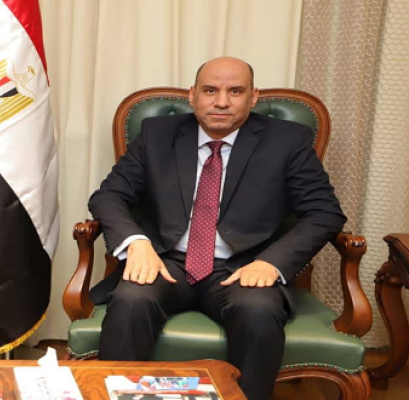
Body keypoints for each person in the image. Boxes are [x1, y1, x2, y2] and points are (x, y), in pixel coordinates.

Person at [88, 57, 346, 400]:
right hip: (167, 261)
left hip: (244, 267)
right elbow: (109, 196)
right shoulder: (157, 134)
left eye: (235, 91)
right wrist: (136, 243)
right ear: (192, 94)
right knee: (131, 299)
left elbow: (324, 212)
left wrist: (272, 263)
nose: (221, 101)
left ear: (253, 97)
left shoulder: (287, 141)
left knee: (258, 311)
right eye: (210, 90)